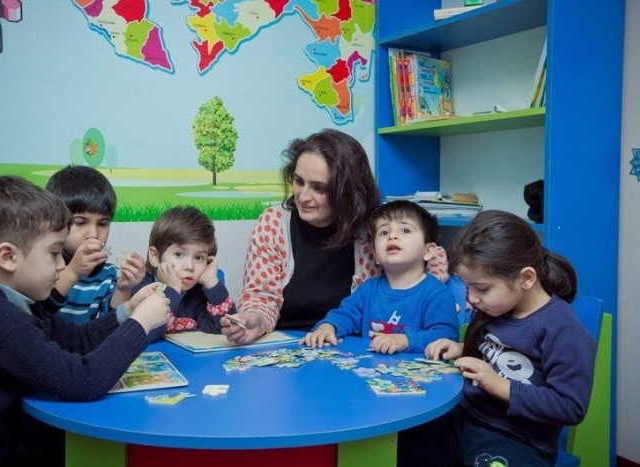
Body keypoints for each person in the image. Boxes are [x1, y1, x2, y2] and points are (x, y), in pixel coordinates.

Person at [0, 175, 170, 467]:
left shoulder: (17, 306)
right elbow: (82, 381)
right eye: (54, 253)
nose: (62, 265)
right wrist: (140, 324)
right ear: (8, 257)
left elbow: (77, 339)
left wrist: (128, 310)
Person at [397, 210, 596, 467]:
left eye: (481, 288)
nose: (472, 299)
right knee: (401, 445)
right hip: (463, 419)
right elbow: (494, 352)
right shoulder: (494, 308)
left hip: (518, 439)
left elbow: (570, 406)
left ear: (526, 278)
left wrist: (501, 386)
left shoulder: (563, 329)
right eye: (468, 287)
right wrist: (461, 348)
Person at [222, 129, 449, 344]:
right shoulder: (274, 222)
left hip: (353, 347)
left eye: (319, 188)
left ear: (348, 192)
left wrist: (427, 293)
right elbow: (261, 296)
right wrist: (255, 320)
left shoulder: (374, 228)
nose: (303, 196)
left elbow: (432, 253)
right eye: (299, 181)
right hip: (288, 344)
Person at [303, 200, 459, 354]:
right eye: (384, 232)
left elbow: (446, 335)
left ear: (428, 251)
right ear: (376, 255)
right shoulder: (368, 289)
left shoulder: (437, 293)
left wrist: (405, 340)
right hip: (369, 367)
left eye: (405, 230)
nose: (392, 236)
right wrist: (329, 326)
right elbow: (345, 315)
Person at [45, 165, 145, 324]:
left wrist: (123, 289)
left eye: (103, 224)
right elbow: (37, 312)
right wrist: (73, 272)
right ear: (53, 222)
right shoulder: (43, 269)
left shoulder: (109, 275)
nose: (93, 234)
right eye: (80, 222)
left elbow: (109, 325)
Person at [133, 205, 236, 337]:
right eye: (179, 254)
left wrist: (212, 283)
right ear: (155, 257)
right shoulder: (142, 288)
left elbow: (225, 328)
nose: (190, 266)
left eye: (198, 258)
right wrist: (173, 290)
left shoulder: (198, 292)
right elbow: (146, 335)